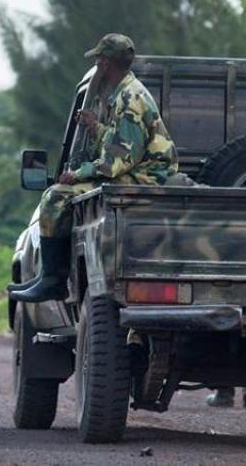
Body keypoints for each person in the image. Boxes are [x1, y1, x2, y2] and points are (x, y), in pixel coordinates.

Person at [11, 33, 178, 303]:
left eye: (100, 58)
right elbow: (123, 141)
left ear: (106, 63)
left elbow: (116, 162)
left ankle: (53, 281)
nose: (98, 63)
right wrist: (96, 127)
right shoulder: (127, 91)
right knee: (62, 192)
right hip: (142, 172)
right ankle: (50, 278)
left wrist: (77, 173)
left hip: (146, 178)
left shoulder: (129, 98)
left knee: (56, 196)